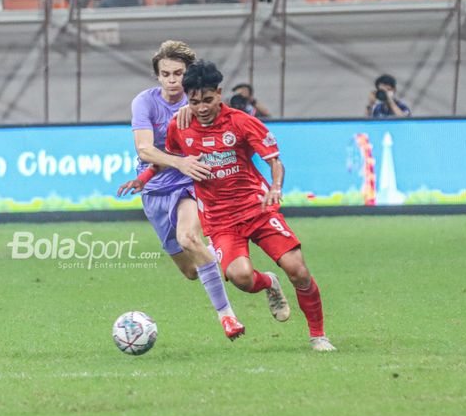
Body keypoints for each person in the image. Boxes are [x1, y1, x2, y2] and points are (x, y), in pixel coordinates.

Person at [165, 60, 336, 352]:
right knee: (241, 278)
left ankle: (318, 335)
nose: (202, 108)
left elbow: (274, 160)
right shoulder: (179, 126)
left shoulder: (242, 122)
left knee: (298, 269)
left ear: (219, 93)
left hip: (256, 208)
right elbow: (174, 158)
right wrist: (146, 177)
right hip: (220, 220)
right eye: (194, 102)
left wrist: (276, 187)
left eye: (207, 100)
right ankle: (269, 282)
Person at [116, 41, 245, 340]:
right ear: (157, 76)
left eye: (178, 74)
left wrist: (189, 166)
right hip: (155, 189)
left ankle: (227, 317)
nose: (172, 80)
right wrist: (174, 163)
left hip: (190, 183)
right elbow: (145, 149)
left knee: (188, 237)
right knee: (191, 270)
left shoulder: (198, 105)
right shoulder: (144, 103)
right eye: (166, 74)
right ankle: (241, 267)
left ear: (187, 75)